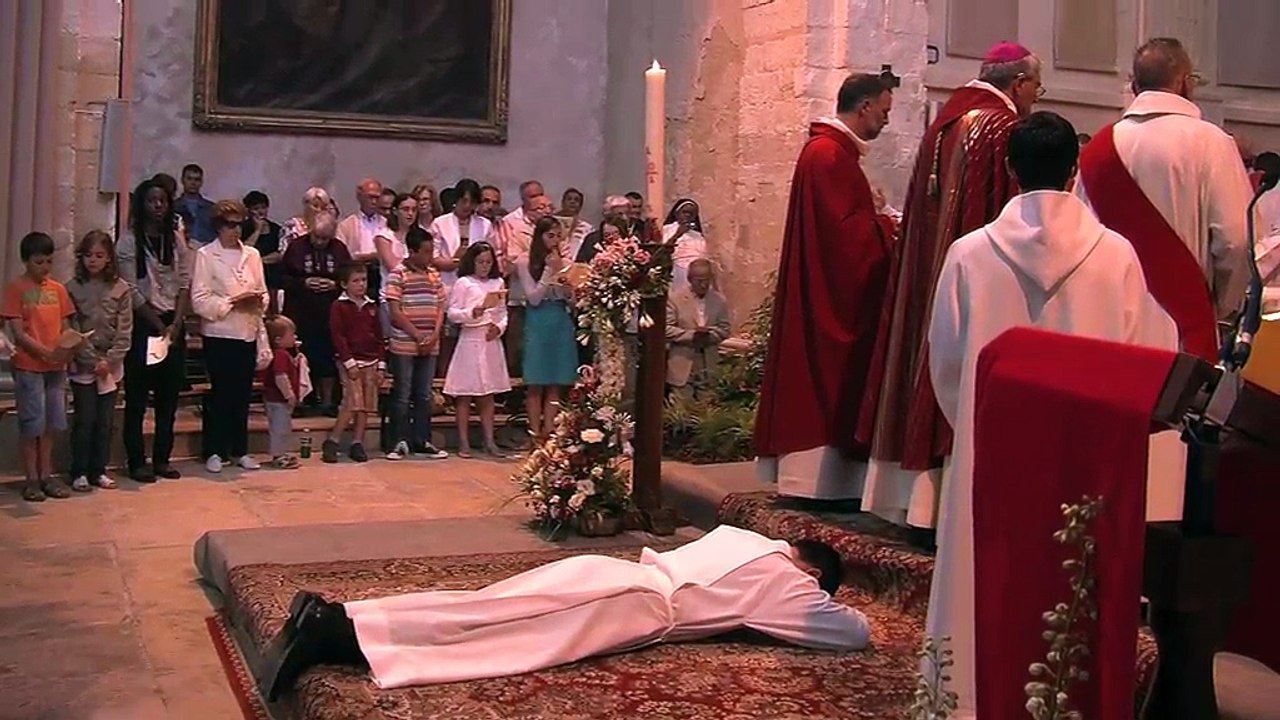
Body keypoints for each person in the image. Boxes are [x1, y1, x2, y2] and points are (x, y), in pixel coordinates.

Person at [924, 110, 1178, 718]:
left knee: (986, 581)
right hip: (1085, 462)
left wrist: (979, 426)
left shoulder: (969, 253)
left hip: (993, 452)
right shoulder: (1115, 255)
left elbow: (947, 363)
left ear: (1010, 170)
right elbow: (1142, 358)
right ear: (1074, 171)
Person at [260, 525, 869, 699]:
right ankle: (338, 637)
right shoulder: (786, 579)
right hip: (635, 604)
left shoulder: (742, 535)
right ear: (812, 572)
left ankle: (339, 616)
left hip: (615, 576)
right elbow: (850, 634)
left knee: (484, 608)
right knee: (496, 639)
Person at [858, 42, 1041, 528]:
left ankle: (908, 497)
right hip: (978, 272)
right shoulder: (1000, 127)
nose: (1035, 98)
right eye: (1036, 89)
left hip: (933, 269)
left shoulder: (948, 118)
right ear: (1018, 84)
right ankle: (938, 506)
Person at [754, 71, 897, 500]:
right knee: (832, 379)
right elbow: (846, 242)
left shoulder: (833, 154)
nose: (887, 121)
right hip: (831, 298)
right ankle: (822, 485)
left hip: (822, 289)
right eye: (885, 111)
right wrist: (888, 228)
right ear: (865, 105)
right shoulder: (830, 156)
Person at [1076, 37, 1251, 364]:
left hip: (1109, 323)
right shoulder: (1211, 142)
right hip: (1184, 324)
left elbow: (1079, 237)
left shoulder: (1100, 149)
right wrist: (1224, 310)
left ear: (1134, 83)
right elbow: (1236, 239)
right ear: (1185, 82)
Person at [118, 177, 194, 482]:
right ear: (142, 204)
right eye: (152, 200)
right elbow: (131, 291)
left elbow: (185, 281)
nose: (158, 205)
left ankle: (162, 458)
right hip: (144, 325)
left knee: (168, 399)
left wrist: (176, 323)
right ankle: (137, 461)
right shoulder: (127, 241)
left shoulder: (175, 239)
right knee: (137, 399)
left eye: (162, 200)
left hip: (172, 325)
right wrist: (160, 325)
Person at [191, 200, 270, 474]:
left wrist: (258, 302)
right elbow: (200, 300)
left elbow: (263, 291)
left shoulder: (252, 254)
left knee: (242, 394)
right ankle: (214, 450)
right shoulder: (206, 255)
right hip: (220, 333)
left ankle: (240, 450)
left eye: (239, 224)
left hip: (246, 331)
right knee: (221, 394)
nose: (235, 230)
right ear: (218, 226)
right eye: (229, 225)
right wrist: (232, 302)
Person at [2, 232, 78, 502]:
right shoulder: (16, 289)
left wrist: (67, 347)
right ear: (26, 261)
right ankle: (31, 478)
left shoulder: (57, 289)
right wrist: (46, 352)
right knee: (31, 422)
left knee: (52, 423)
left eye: (48, 262)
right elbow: (18, 333)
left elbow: (66, 325)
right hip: (29, 366)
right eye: (38, 262)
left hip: (55, 367)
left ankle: (47, 475)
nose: (44, 268)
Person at [67, 230, 133, 491]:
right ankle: (79, 471)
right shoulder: (71, 288)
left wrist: (111, 359)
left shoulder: (121, 289)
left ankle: (99, 469)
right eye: (88, 255)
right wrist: (91, 358)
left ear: (109, 259)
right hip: (84, 363)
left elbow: (125, 330)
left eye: (99, 255)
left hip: (111, 366)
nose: (93, 260)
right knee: (85, 419)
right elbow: (71, 328)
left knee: (106, 421)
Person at [384, 232, 450, 461]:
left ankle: (422, 439)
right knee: (403, 393)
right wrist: (417, 335)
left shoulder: (433, 274)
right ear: (412, 251)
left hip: (430, 344)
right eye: (426, 251)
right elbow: (394, 311)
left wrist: (433, 335)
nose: (430, 256)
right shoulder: (397, 274)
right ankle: (398, 441)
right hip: (405, 344)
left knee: (423, 394)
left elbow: (441, 306)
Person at [445, 242, 511, 458]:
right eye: (480, 262)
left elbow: (502, 312)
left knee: (488, 393)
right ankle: (463, 442)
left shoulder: (497, 282)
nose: (484, 266)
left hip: (489, 340)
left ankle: (489, 440)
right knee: (465, 393)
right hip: (470, 339)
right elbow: (453, 312)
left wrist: (499, 327)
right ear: (472, 262)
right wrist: (471, 313)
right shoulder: (464, 283)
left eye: (488, 262)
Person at [516, 217, 580, 440]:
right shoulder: (524, 260)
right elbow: (533, 298)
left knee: (556, 380)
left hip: (560, 320)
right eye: (549, 236)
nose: (554, 241)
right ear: (539, 236)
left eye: (557, 236)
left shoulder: (565, 261)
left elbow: (571, 300)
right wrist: (547, 271)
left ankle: (549, 431)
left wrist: (567, 284)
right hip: (538, 320)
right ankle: (534, 432)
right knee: (536, 381)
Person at [283, 211, 352, 416]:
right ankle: (303, 401)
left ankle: (328, 402)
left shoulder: (339, 249)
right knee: (302, 356)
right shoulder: (296, 247)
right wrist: (303, 282)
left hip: (329, 313)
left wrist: (335, 284)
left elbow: (350, 277)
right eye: (317, 237)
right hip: (301, 312)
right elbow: (281, 277)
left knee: (327, 357)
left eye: (325, 238)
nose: (321, 242)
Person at [430, 179, 496, 378]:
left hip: (477, 287)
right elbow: (433, 257)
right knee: (448, 339)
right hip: (448, 283)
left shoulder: (484, 225)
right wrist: (455, 261)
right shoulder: (440, 223)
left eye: (472, 202)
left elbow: (491, 254)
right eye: (464, 201)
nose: (467, 206)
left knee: (474, 340)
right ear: (456, 200)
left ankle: (473, 383)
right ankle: (444, 386)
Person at [323, 263, 382, 464]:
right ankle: (333, 440)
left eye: (363, 280)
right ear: (344, 284)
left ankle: (357, 442)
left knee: (365, 405)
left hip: (371, 360)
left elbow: (380, 336)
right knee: (351, 402)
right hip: (351, 361)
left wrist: (381, 364)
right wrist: (349, 362)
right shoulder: (339, 307)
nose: (361, 285)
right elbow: (338, 336)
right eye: (355, 281)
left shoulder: (372, 306)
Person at [666, 258, 731, 399]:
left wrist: (709, 335)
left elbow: (725, 329)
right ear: (690, 279)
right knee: (680, 410)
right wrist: (692, 335)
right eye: (699, 280)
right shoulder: (675, 298)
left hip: (708, 362)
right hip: (682, 362)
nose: (703, 284)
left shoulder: (719, 300)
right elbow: (666, 329)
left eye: (707, 280)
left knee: (707, 409)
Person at [261, 315, 306, 470]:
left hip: (278, 399)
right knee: (279, 429)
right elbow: (280, 376)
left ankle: (282, 453)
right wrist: (289, 394)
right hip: (277, 399)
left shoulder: (284, 354)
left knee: (283, 427)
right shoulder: (280, 355)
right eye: (291, 335)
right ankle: (278, 456)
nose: (295, 337)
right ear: (279, 340)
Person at [336, 178, 389, 302]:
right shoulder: (346, 225)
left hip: (382, 275)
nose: (374, 201)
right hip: (358, 275)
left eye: (377, 197)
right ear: (360, 197)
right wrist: (368, 257)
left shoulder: (388, 223)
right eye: (370, 197)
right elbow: (342, 256)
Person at [242, 191, 285, 312]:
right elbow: (244, 252)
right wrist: (257, 231)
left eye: (263, 207)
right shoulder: (242, 228)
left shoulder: (276, 229)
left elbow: (280, 254)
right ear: (248, 210)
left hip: (272, 278)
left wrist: (257, 260)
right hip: (250, 278)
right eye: (256, 208)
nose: (261, 211)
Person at [662, 199, 710, 291]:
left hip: (696, 273)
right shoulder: (666, 230)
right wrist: (678, 234)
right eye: (685, 212)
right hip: (676, 269)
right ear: (676, 213)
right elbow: (662, 251)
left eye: (691, 213)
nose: (688, 215)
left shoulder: (697, 235)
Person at [177, 163, 215, 245]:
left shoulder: (212, 208)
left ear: (201, 182)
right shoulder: (173, 207)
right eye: (189, 179)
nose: (193, 183)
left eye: (197, 179)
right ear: (182, 180)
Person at [556, 187, 594, 261]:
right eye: (569, 199)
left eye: (576, 200)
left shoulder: (587, 228)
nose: (572, 202)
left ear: (580, 206)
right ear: (562, 203)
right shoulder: (552, 223)